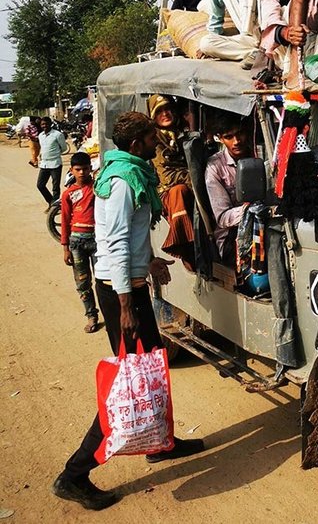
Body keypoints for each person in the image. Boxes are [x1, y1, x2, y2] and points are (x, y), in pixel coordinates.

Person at [52, 112, 204, 512]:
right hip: (121, 294)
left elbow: (133, 238)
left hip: (131, 285)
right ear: (137, 143)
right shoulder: (122, 182)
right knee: (127, 385)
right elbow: (115, 242)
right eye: (153, 138)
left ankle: (159, 442)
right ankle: (74, 474)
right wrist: (124, 305)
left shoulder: (130, 172)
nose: (158, 144)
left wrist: (149, 261)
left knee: (152, 370)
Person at [149, 94, 195, 268]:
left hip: (193, 184)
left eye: (168, 109)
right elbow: (166, 174)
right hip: (168, 191)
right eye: (159, 111)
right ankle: (184, 246)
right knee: (179, 192)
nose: (165, 114)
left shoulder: (183, 131)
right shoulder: (154, 139)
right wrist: (194, 178)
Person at [205, 115, 253, 261]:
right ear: (220, 138)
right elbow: (223, 217)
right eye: (229, 137)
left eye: (240, 134)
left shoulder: (261, 154)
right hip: (232, 237)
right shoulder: (215, 167)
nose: (236, 141)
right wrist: (250, 210)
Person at [61, 151, 99, 333]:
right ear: (72, 171)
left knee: (104, 280)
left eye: (85, 169)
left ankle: (112, 314)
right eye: (78, 170)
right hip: (76, 242)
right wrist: (65, 248)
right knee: (83, 282)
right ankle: (91, 315)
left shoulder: (98, 188)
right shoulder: (68, 194)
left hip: (97, 239)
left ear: (90, 169)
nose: (82, 173)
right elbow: (65, 221)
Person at [36, 116, 68, 209]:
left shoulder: (57, 135)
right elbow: (42, 148)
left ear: (50, 124)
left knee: (55, 187)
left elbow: (64, 148)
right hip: (44, 164)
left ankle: (54, 208)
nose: (44, 126)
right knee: (40, 185)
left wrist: (55, 154)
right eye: (42, 124)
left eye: (46, 124)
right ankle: (51, 202)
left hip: (55, 163)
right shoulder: (40, 135)